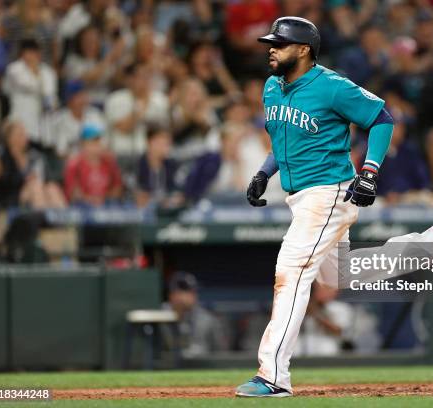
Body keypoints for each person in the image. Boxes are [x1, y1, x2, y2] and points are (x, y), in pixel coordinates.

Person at [236, 16, 395, 398]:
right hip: (299, 197)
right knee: (335, 277)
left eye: (280, 43)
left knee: (290, 272)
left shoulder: (331, 86)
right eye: (271, 43)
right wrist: (263, 172)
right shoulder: (272, 87)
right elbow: (285, 138)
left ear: (304, 50)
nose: (271, 49)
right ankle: (419, 251)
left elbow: (381, 117)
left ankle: (273, 376)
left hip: (328, 194)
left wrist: (370, 170)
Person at [0, 119, 65, 209]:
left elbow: (48, 178)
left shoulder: (34, 155)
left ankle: (64, 220)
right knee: (35, 187)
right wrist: (26, 180)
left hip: (39, 190)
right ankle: (41, 220)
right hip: (14, 197)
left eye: (24, 133)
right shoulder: (3, 157)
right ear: (9, 138)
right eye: (20, 134)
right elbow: (3, 183)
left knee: (52, 188)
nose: (25, 136)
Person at [2, 38, 57, 144]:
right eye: (28, 52)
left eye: (34, 52)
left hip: (43, 125)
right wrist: (36, 74)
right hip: (20, 120)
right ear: (21, 54)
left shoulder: (48, 72)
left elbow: (50, 95)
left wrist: (50, 101)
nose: (31, 56)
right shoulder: (14, 69)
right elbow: (28, 85)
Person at [163, 272, 229, 357]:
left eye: (194, 291)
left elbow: (221, 353)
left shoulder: (207, 319)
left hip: (202, 366)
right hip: (167, 368)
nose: (193, 295)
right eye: (188, 291)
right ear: (174, 294)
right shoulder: (160, 317)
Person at [64, 124, 122, 207]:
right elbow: (73, 193)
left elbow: (117, 188)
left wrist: (104, 199)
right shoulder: (74, 164)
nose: (98, 144)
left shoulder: (109, 162)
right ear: (84, 144)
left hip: (106, 204)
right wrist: (90, 200)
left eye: (98, 140)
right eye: (94, 141)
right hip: (82, 206)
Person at [135, 126, 183, 208]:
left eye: (168, 143)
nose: (166, 147)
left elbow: (179, 193)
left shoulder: (172, 165)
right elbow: (138, 196)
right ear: (150, 142)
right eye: (162, 143)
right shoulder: (137, 165)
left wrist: (172, 199)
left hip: (166, 211)